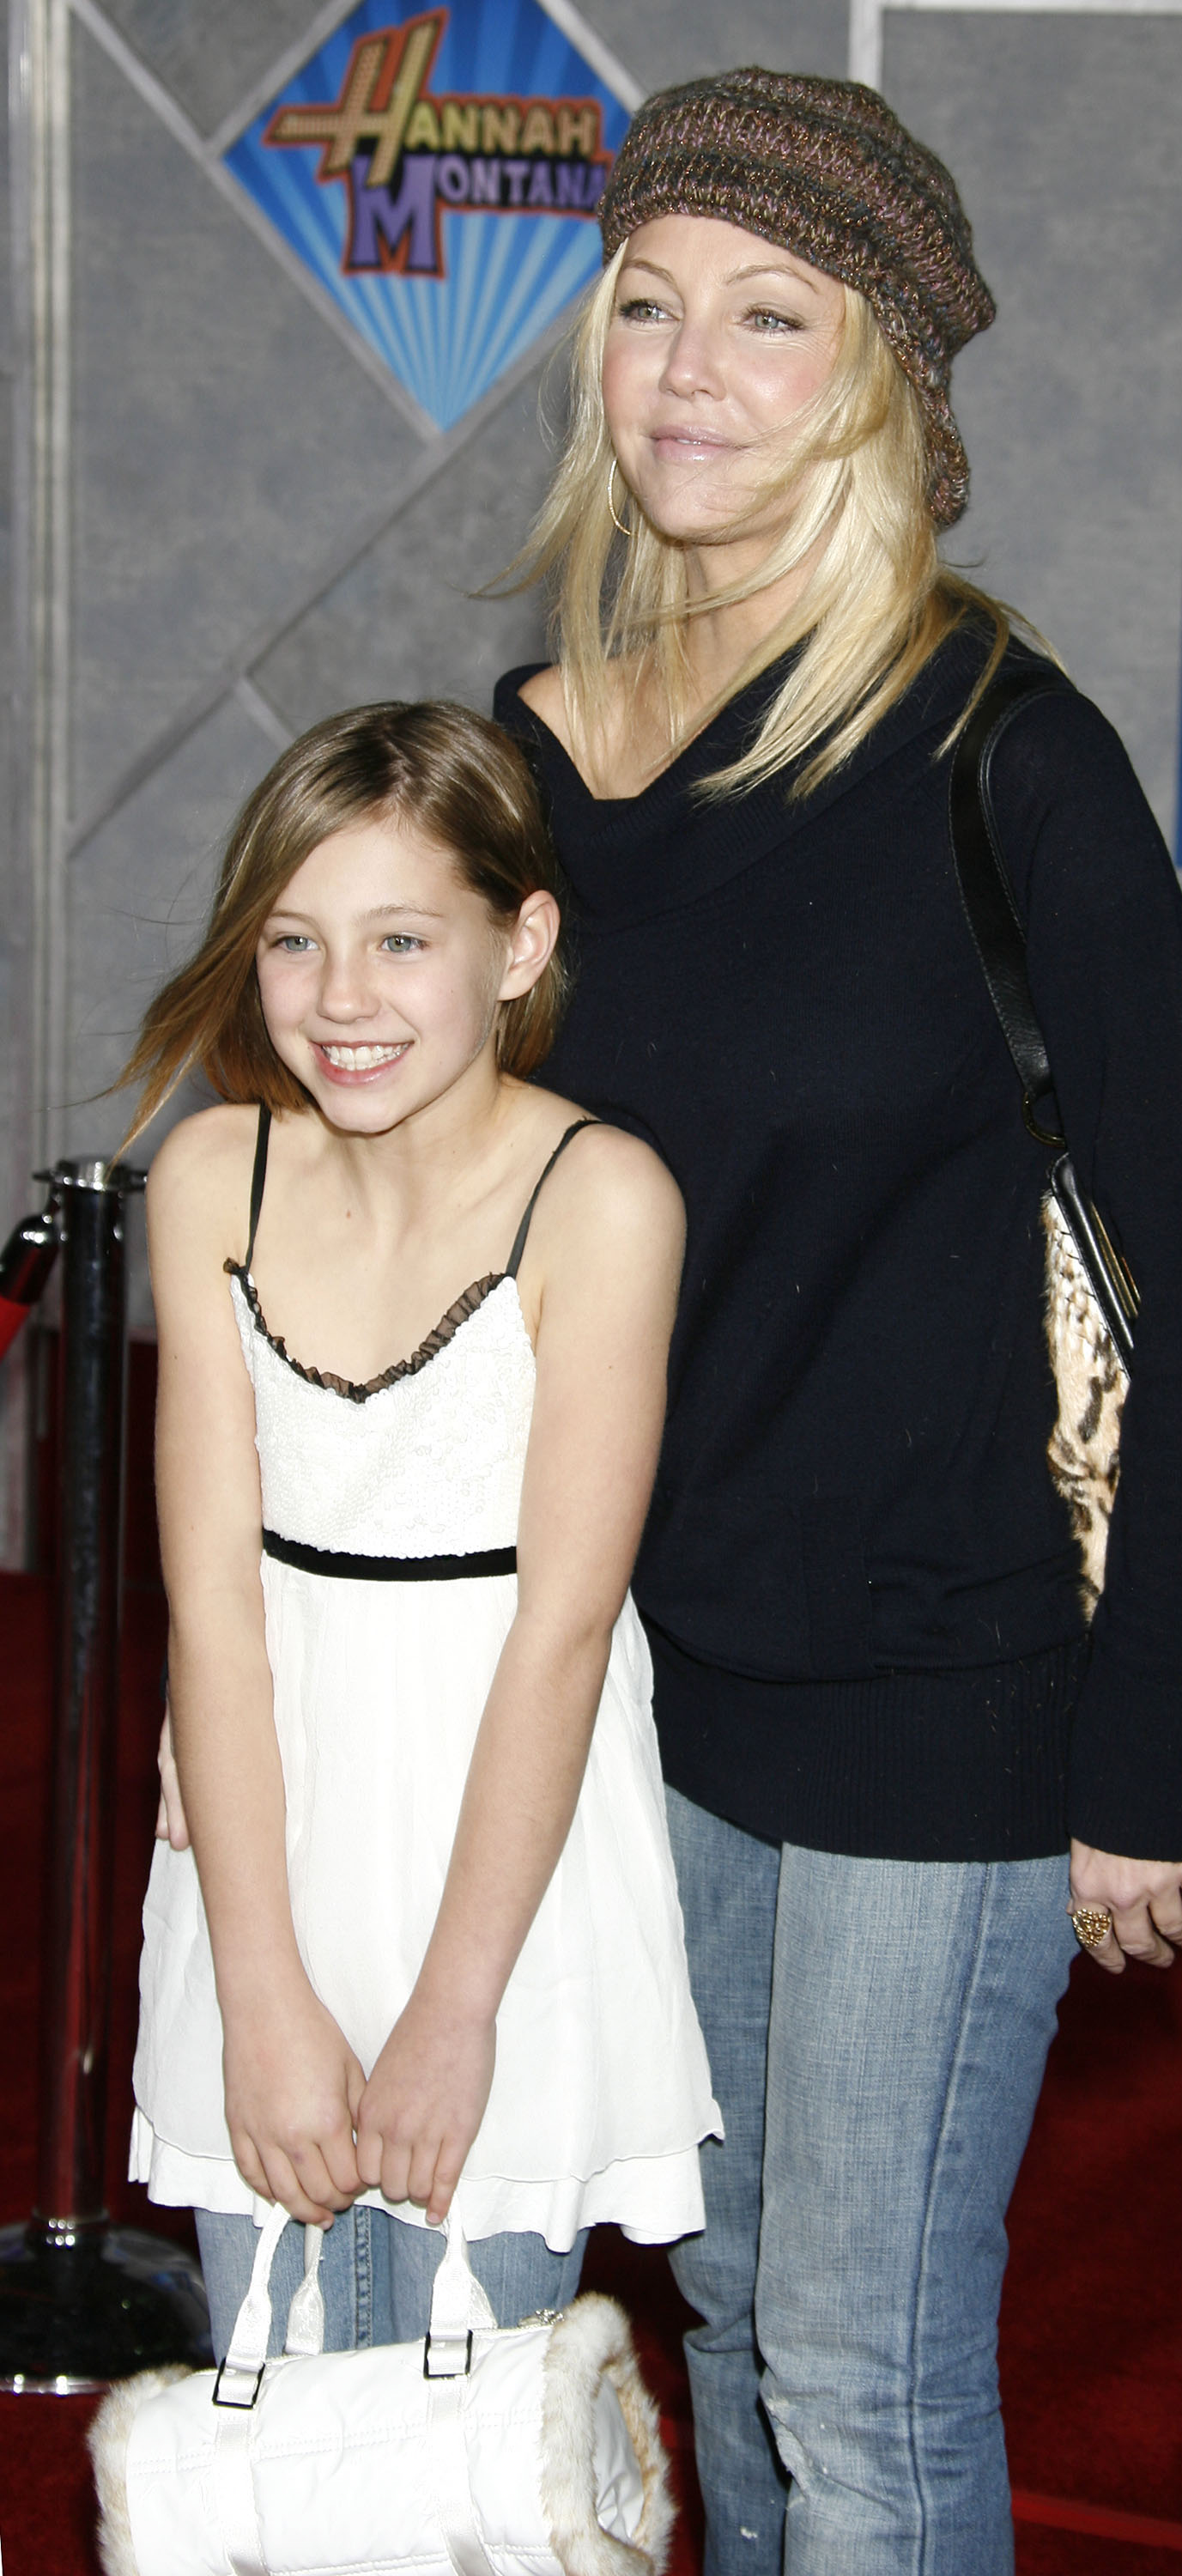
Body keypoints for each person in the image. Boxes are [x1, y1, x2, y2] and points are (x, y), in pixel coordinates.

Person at [488, 68, 1182, 2576]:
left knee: (861, 2371)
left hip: (941, 1685)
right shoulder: (527, 759)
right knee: (732, 2311)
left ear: (883, 382)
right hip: (644, 1688)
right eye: (649, 306)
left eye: (772, 317)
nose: (689, 373)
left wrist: (1140, 1749)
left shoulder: (996, 753)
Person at [124, 699, 719, 2360]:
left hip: (506, 1850)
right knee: (273, 2386)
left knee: (476, 2413)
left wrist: (460, 2012)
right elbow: (213, 1612)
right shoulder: (213, 1177)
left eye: (401, 940)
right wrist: (259, 1993)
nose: (341, 999)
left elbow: (563, 1631)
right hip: (265, 1818)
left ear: (519, 944)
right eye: (294, 940)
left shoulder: (602, 1197)